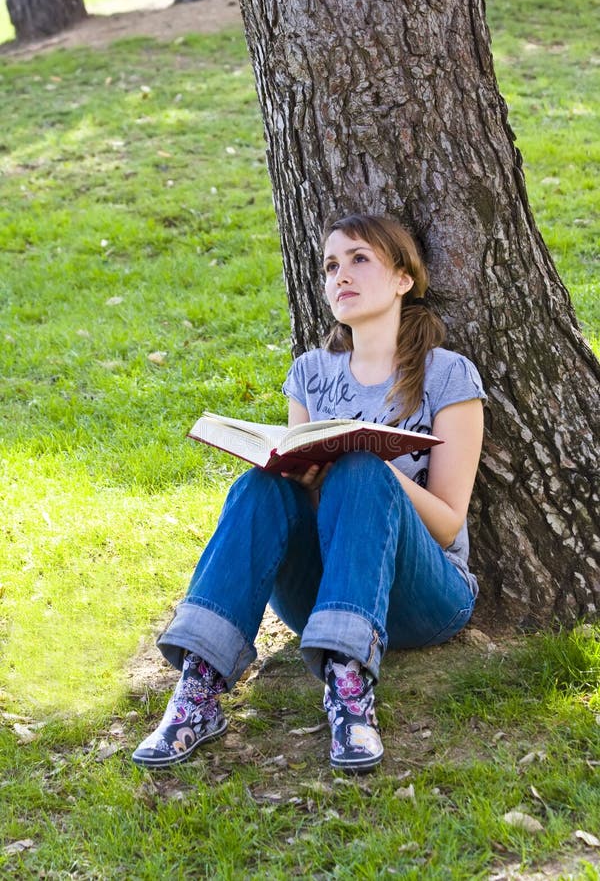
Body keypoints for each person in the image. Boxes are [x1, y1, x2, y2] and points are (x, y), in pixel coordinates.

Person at [132, 213, 486, 773]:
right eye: (330, 265)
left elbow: (446, 524)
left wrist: (370, 462)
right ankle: (198, 690)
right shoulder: (312, 374)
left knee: (363, 473)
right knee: (260, 484)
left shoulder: (447, 376)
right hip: (324, 593)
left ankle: (350, 696)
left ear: (402, 278)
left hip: (426, 595)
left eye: (359, 259)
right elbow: (301, 489)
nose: (340, 274)